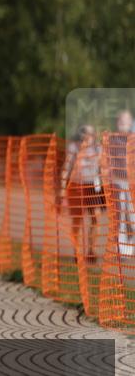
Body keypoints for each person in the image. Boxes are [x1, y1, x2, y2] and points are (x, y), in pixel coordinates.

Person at [60, 124, 106, 263]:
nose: (86, 137)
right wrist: (62, 189)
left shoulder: (98, 149)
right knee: (77, 220)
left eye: (89, 134)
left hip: (93, 186)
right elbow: (66, 168)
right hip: (76, 186)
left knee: (95, 219)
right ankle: (77, 252)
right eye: (83, 134)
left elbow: (104, 168)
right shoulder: (74, 148)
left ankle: (91, 250)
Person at [107, 109, 133, 256]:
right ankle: (122, 249)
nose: (125, 124)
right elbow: (107, 161)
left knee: (132, 216)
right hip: (118, 182)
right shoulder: (112, 139)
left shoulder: (133, 139)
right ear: (118, 123)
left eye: (128, 121)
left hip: (132, 183)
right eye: (122, 121)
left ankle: (130, 245)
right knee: (120, 216)